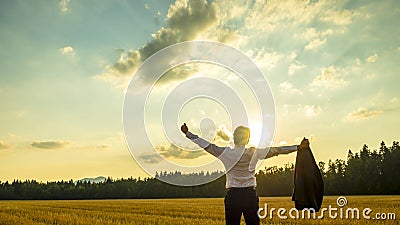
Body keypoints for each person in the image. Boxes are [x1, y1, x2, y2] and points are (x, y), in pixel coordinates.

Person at [180, 123, 309, 225]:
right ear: (247, 139)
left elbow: (206, 145)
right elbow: (277, 150)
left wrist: (188, 133)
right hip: (250, 196)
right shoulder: (254, 153)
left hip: (233, 197)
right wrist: (297, 147)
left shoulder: (226, 153)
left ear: (234, 138)